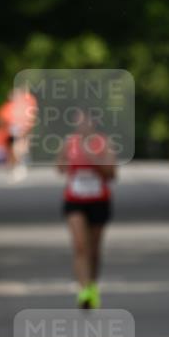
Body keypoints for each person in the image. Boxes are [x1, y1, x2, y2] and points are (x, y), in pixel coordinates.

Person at [56, 109, 117, 309]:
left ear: (93, 124)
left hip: (98, 200)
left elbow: (112, 174)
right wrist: (67, 162)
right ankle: (83, 291)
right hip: (75, 199)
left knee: (94, 249)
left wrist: (94, 160)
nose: (82, 127)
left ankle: (92, 285)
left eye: (85, 122)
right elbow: (59, 167)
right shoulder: (69, 143)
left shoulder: (103, 143)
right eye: (78, 123)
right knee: (80, 246)